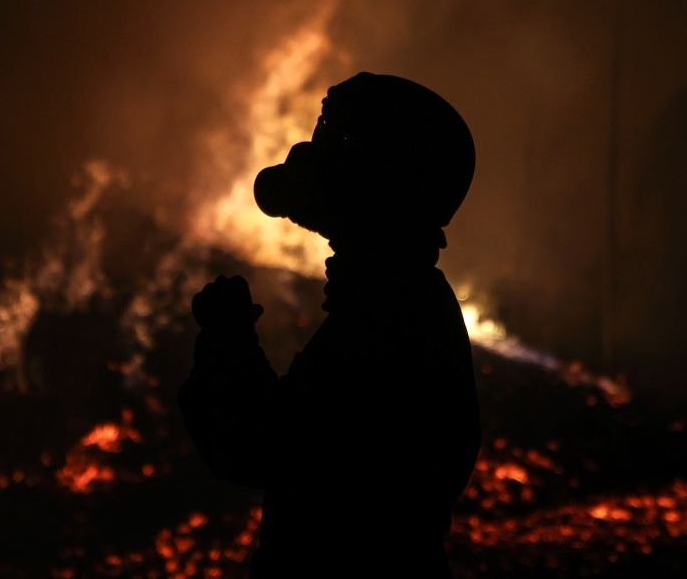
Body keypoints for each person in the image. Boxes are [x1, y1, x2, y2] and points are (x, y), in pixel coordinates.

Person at [179, 72, 481, 577]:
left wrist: (227, 341)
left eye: (337, 139)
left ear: (383, 179)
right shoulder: (402, 303)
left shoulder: (387, 321)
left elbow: (260, 448)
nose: (309, 153)